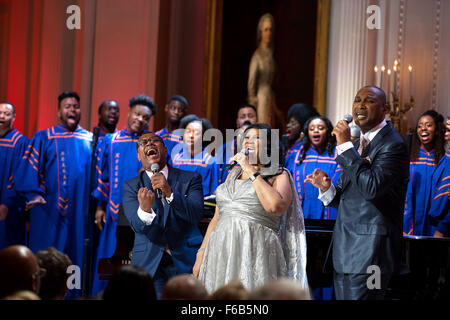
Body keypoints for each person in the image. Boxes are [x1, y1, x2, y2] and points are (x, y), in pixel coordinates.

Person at [306, 85, 409, 300]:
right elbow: (351, 198)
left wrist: (344, 146)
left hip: (372, 253)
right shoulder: (358, 144)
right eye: (357, 99)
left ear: (385, 108)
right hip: (346, 251)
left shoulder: (393, 145)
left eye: (369, 100)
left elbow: (372, 188)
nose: (360, 105)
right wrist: (327, 189)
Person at [194, 123, 308, 294]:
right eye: (246, 138)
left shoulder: (279, 174)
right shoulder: (232, 174)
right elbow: (217, 218)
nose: (249, 142)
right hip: (221, 250)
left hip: (256, 249)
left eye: (256, 138)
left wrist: (250, 169)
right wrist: (201, 253)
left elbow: (275, 207)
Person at [15, 91, 92, 299]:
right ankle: (40, 294)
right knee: (46, 256)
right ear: (59, 111)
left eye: (76, 106)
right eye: (68, 106)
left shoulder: (90, 140)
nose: (72, 110)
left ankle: (72, 295)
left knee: (75, 258)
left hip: (79, 211)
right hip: (48, 211)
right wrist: (33, 194)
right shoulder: (44, 137)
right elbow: (30, 168)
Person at [122, 132, 204, 298]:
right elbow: (136, 226)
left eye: (155, 141)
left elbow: (195, 214)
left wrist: (170, 193)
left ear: (165, 150)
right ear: (139, 155)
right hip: (150, 263)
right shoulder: (131, 186)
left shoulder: (191, 179)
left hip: (186, 259)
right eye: (144, 143)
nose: (150, 144)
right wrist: (144, 210)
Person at [91, 94, 157, 296]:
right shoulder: (111, 141)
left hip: (140, 213)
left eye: (145, 117)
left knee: (135, 264)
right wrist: (100, 207)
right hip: (113, 212)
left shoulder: (152, 144)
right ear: (129, 113)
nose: (140, 119)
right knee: (109, 262)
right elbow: (102, 176)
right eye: (137, 114)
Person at [403, 110, 446, 236]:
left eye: (428, 125)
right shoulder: (410, 159)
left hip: (435, 226)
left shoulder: (443, 160)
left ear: (437, 129)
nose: (423, 129)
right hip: (411, 222)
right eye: (420, 126)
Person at [291, 116, 341, 220]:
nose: (316, 131)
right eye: (312, 128)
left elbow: (340, 185)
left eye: (320, 128)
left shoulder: (337, 155)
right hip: (301, 213)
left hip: (329, 213)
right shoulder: (297, 155)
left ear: (328, 131)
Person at [0, 102, 29, 249]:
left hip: (9, 209)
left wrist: (6, 203)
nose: (2, 116)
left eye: (6, 114)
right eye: (0, 113)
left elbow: (19, 174)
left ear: (14, 117)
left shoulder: (21, 143)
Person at [170, 115, 221, 197]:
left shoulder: (210, 161)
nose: (191, 136)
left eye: (197, 133)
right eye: (188, 132)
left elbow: (214, 192)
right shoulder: (176, 159)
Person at [247, 13, 284, 127]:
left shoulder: (271, 55)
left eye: (271, 30)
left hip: (270, 98)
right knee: (263, 128)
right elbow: (251, 83)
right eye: (266, 29)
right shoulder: (257, 56)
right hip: (261, 98)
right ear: (261, 32)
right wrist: (253, 103)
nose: (268, 33)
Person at [218, 104, 258, 183]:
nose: (247, 119)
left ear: (257, 119)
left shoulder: (265, 147)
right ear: (237, 122)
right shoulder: (224, 149)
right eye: (242, 117)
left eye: (250, 116)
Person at [428, 118, 450, 236]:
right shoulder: (446, 156)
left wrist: (441, 228)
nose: (445, 133)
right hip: (436, 223)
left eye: (448, 130)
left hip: (444, 226)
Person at [284, 103, 320, 173]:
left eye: (293, 123)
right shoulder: (291, 144)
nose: (288, 125)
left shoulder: (304, 148)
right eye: (289, 122)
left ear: (304, 126)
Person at [155, 95, 188, 160]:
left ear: (184, 113)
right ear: (166, 108)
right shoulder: (157, 135)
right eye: (173, 108)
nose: (176, 112)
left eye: (180, 110)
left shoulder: (187, 137)